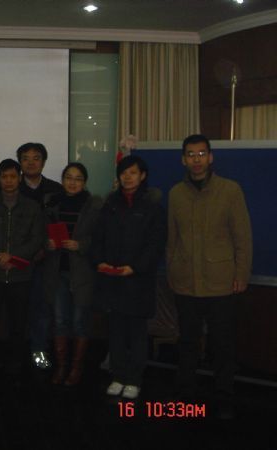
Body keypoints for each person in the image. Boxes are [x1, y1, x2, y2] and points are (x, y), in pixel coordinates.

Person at [167, 134, 252, 418]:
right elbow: (172, 239)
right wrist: (172, 270)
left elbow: (242, 238)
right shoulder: (176, 193)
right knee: (187, 341)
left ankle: (224, 394)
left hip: (221, 282)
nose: (197, 160)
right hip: (186, 282)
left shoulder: (230, 190)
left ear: (211, 157)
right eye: (191, 154)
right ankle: (185, 394)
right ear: (183, 159)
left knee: (222, 344)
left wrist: (241, 273)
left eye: (202, 154)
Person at [91, 155, 166, 400]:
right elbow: (98, 238)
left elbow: (155, 245)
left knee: (136, 334)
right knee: (115, 332)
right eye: (123, 173)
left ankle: (134, 379)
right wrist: (99, 261)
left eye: (133, 172)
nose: (127, 177)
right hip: (112, 280)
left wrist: (135, 267)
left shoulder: (152, 207)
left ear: (142, 176)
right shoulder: (110, 205)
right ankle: (118, 376)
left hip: (138, 281)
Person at [0, 159, 45, 383]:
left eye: (13, 176)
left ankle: (15, 364)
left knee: (18, 323)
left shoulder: (32, 207)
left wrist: (13, 257)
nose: (8, 181)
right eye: (4, 177)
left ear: (19, 178)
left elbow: (36, 239)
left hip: (21, 275)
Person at [43, 163, 102, 386]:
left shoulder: (94, 205)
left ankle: (76, 368)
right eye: (69, 177)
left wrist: (80, 245)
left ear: (84, 182)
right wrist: (47, 243)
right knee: (59, 321)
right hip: (57, 270)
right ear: (62, 180)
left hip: (82, 273)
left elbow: (101, 238)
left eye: (78, 178)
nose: (73, 182)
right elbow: (40, 231)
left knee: (79, 322)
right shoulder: (51, 202)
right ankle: (61, 367)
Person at [16, 142, 63, 369]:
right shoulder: (12, 187)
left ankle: (39, 357)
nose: (31, 162)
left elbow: (59, 224)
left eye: (36, 158)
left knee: (42, 310)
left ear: (44, 162)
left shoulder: (56, 189)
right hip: (18, 260)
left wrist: (47, 246)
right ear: (20, 163)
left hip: (47, 260)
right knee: (17, 311)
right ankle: (16, 358)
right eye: (26, 158)